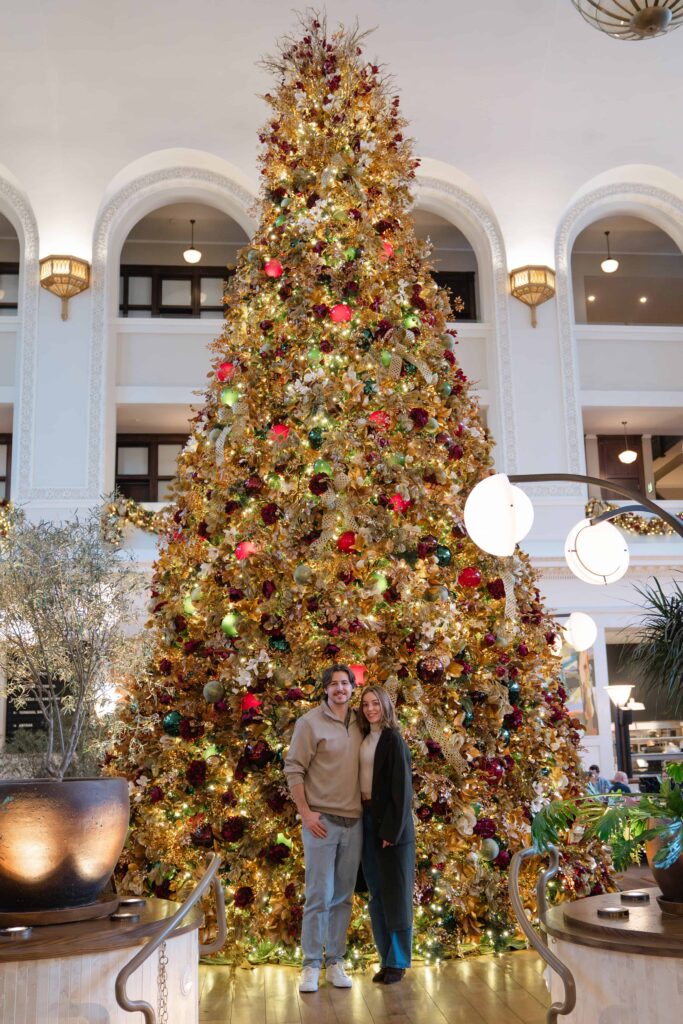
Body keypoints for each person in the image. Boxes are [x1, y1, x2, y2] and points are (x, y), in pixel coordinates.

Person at [284, 664, 362, 994]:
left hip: (354, 823)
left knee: (343, 897)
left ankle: (335, 962)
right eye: (334, 684)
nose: (340, 689)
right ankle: (311, 965)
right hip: (321, 824)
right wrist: (306, 813)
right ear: (325, 690)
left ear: (353, 687)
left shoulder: (362, 722)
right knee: (319, 895)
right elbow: (293, 769)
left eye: (345, 683)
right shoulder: (309, 723)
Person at [358, 685, 415, 985]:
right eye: (365, 704)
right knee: (377, 895)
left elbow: (402, 790)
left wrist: (391, 831)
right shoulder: (364, 738)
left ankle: (399, 960)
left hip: (391, 826)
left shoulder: (393, 739)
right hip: (365, 821)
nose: (370, 709)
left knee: (396, 895)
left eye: (375, 703)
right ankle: (385, 959)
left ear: (385, 705)